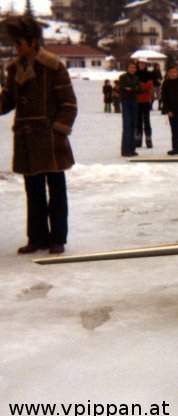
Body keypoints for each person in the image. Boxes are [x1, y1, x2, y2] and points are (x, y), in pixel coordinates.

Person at [0, 16, 77, 254]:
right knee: (32, 191)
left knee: (56, 190)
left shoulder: (53, 66)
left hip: (50, 139)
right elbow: (8, 100)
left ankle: (57, 239)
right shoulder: (14, 69)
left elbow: (69, 104)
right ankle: (37, 237)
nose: (17, 47)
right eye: (14, 43)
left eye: (19, 42)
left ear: (33, 41)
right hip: (25, 137)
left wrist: (58, 131)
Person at [119, 60, 142, 157]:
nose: (132, 69)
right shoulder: (123, 77)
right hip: (126, 102)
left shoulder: (136, 78)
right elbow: (123, 88)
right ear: (127, 68)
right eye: (130, 67)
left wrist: (131, 89)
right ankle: (125, 150)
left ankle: (132, 149)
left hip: (134, 102)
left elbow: (140, 90)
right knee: (127, 126)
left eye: (134, 67)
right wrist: (133, 89)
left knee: (133, 125)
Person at [135, 58, 154, 148]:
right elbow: (133, 86)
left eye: (143, 64)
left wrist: (139, 87)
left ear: (146, 65)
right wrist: (142, 86)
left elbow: (149, 86)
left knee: (147, 120)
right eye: (140, 64)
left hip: (146, 100)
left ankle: (148, 138)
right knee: (138, 120)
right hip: (137, 100)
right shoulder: (135, 74)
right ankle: (138, 138)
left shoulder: (149, 74)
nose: (142, 65)